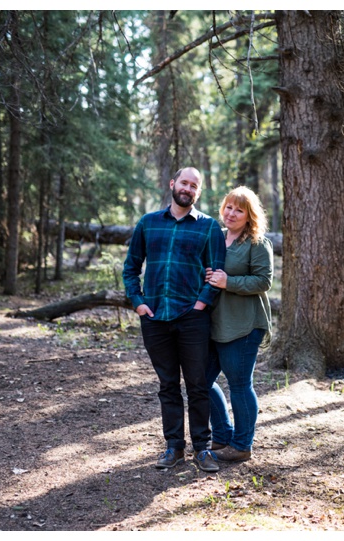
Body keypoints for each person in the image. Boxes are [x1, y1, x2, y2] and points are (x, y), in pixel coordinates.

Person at [122, 167, 225, 473]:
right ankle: (174, 448)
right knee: (168, 385)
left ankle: (203, 449)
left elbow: (216, 272)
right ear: (172, 184)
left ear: (199, 192)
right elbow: (131, 268)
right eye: (184, 182)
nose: (188, 188)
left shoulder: (209, 227)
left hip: (192, 319)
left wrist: (200, 304)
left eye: (195, 186)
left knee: (197, 384)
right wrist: (139, 303)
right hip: (155, 318)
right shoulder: (148, 223)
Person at [205, 186, 273, 463]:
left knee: (240, 384)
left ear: (249, 215)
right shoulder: (216, 237)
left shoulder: (257, 242)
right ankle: (221, 435)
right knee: (200, 380)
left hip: (244, 325)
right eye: (229, 207)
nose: (231, 213)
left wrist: (228, 282)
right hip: (214, 323)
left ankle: (241, 445)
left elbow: (263, 281)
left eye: (239, 210)